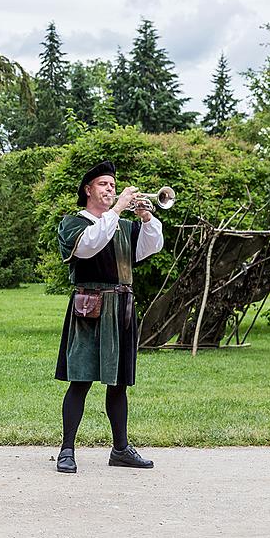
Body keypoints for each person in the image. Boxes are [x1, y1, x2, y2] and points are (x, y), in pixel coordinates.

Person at [54, 160, 164, 474]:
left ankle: (121, 449)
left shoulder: (124, 225)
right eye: (103, 184)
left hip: (121, 309)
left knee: (118, 384)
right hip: (90, 308)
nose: (110, 189)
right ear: (88, 190)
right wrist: (117, 209)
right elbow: (89, 246)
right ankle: (66, 450)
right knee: (81, 381)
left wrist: (146, 217)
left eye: (113, 186)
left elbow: (149, 248)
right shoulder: (73, 223)